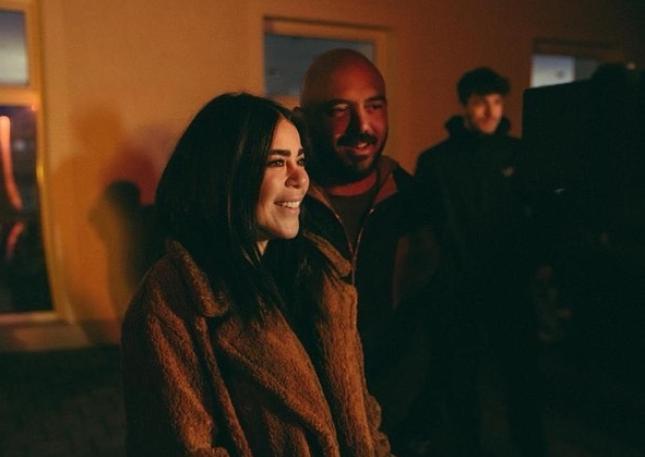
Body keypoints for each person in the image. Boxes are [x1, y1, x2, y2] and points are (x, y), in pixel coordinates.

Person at [121, 92, 392, 457]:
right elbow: (182, 446)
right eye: (277, 162)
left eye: (300, 160)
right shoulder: (172, 300)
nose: (301, 178)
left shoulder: (320, 275)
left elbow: (362, 414)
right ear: (227, 174)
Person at [298, 49, 447, 456]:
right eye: (339, 110)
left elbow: (441, 323)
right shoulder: (283, 207)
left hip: (403, 423)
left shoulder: (419, 203)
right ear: (303, 119)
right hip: (309, 427)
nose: (362, 126)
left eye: (374, 106)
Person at [416, 67, 547, 457]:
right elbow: (423, 227)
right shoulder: (437, 162)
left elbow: (540, 218)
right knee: (461, 384)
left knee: (522, 380)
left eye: (496, 101)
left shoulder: (521, 155)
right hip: (459, 290)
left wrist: (537, 267)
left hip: (510, 287)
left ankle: (531, 449)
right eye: (480, 102)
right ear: (464, 105)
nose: (490, 110)